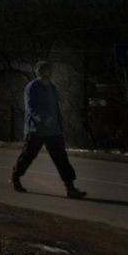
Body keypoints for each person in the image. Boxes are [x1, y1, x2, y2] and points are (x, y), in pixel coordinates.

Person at [10, 61, 87, 199]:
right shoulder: (32, 87)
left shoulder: (52, 88)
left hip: (53, 131)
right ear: (40, 72)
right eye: (47, 70)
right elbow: (31, 107)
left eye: (50, 69)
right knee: (28, 156)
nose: (50, 72)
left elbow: (56, 108)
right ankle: (15, 178)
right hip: (36, 130)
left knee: (61, 158)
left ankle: (70, 188)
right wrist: (43, 118)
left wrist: (60, 125)